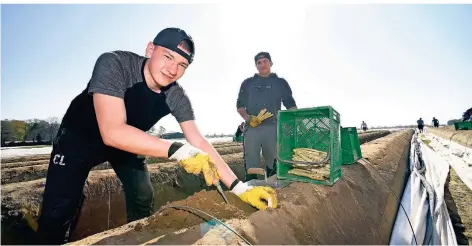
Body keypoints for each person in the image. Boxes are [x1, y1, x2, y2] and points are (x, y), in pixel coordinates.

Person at [34, 28, 278, 245]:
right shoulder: (114, 64)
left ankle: (134, 237)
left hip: (128, 142)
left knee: (143, 195)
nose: (173, 70)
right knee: (58, 209)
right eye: (168, 57)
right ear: (150, 49)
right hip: (78, 138)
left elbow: (200, 141)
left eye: (182, 65)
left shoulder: (176, 96)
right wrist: (178, 150)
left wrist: (240, 188)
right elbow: (112, 131)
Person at [236, 51, 297, 181]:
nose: (262, 64)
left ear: (271, 63)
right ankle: (251, 185)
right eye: (259, 62)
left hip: (273, 127)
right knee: (251, 160)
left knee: (273, 161)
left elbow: (290, 104)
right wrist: (248, 118)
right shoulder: (247, 83)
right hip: (252, 128)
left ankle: (273, 185)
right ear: (256, 66)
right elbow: (240, 106)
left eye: (265, 61)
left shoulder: (280, 82)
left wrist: (296, 119)